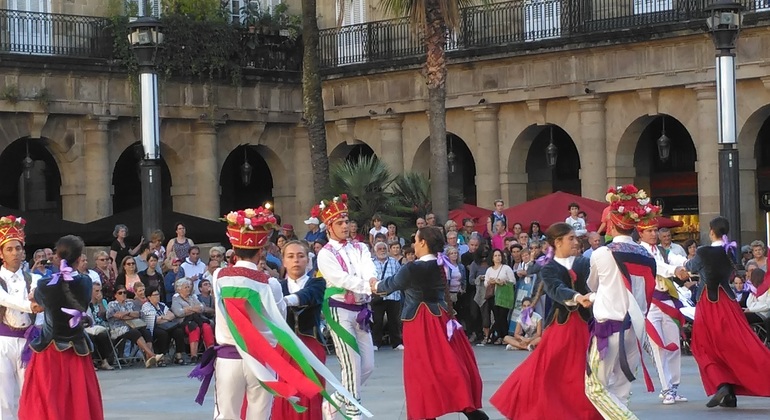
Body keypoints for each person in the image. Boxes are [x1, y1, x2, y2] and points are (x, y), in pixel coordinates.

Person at [190, 206, 358, 420]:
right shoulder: (271, 284)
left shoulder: (219, 276)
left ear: (233, 247)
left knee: (225, 415)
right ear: (262, 251)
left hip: (228, 358)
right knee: (259, 415)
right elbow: (277, 318)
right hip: (263, 360)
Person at [372, 226, 488, 420]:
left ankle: (428, 412)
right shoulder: (440, 263)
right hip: (441, 317)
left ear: (423, 242)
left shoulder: (412, 267)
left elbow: (390, 285)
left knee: (421, 369)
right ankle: (467, 409)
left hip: (420, 321)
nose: (413, 244)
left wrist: (374, 284)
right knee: (446, 363)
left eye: (416, 240)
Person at [491, 223, 601, 420]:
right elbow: (556, 289)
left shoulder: (584, 263)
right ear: (558, 242)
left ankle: (584, 411)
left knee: (580, 371)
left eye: (575, 238)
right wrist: (577, 297)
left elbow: (597, 283)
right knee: (547, 368)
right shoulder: (548, 268)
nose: (576, 241)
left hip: (584, 325)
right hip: (561, 326)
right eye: (571, 238)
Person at [584, 185, 659, 419]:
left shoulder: (602, 253)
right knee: (622, 389)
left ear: (612, 224)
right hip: (635, 328)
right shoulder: (647, 255)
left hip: (609, 326)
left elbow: (592, 285)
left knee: (595, 387)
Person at [686, 216, 770, 408]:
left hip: (709, 301)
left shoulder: (703, 251)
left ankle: (722, 383)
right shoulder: (729, 250)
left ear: (712, 231)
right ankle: (730, 394)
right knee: (733, 344)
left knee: (703, 345)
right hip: (729, 301)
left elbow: (690, 266)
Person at [19, 235, 103, 420]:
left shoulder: (43, 285)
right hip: (77, 349)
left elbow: (40, 303)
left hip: (50, 350)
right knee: (77, 400)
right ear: (79, 257)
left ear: (57, 255)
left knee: (50, 397)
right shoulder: (86, 282)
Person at [314, 194, 377, 420]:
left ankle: (333, 402)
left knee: (367, 365)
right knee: (351, 365)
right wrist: (368, 287)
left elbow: (368, 268)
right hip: (338, 308)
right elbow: (340, 279)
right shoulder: (325, 253)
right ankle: (354, 414)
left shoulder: (360, 247)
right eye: (339, 223)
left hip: (360, 309)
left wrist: (372, 281)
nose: (345, 226)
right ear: (329, 226)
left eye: (346, 221)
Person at [272, 240, 327, 420]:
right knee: (284, 395)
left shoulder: (317, 283)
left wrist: (286, 301)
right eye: (290, 256)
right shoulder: (276, 287)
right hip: (283, 348)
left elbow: (308, 296)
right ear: (284, 261)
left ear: (308, 260)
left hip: (311, 346)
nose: (296, 260)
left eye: (300, 256)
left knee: (310, 394)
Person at [636, 218, 690, 404]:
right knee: (658, 346)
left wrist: (688, 264)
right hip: (650, 303)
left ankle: (674, 386)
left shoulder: (661, 250)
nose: (653, 234)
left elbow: (676, 259)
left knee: (674, 344)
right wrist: (675, 270)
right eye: (649, 231)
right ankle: (666, 388)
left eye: (655, 230)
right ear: (640, 233)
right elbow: (656, 267)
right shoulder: (639, 251)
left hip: (668, 300)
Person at [0, 216, 42, 419]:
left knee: (30, 393)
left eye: (18, 248)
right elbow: (6, 300)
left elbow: (42, 298)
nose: (15, 253)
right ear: (1, 254)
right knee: (4, 397)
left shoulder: (34, 278)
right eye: (9, 249)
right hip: (3, 341)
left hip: (28, 341)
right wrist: (31, 305)